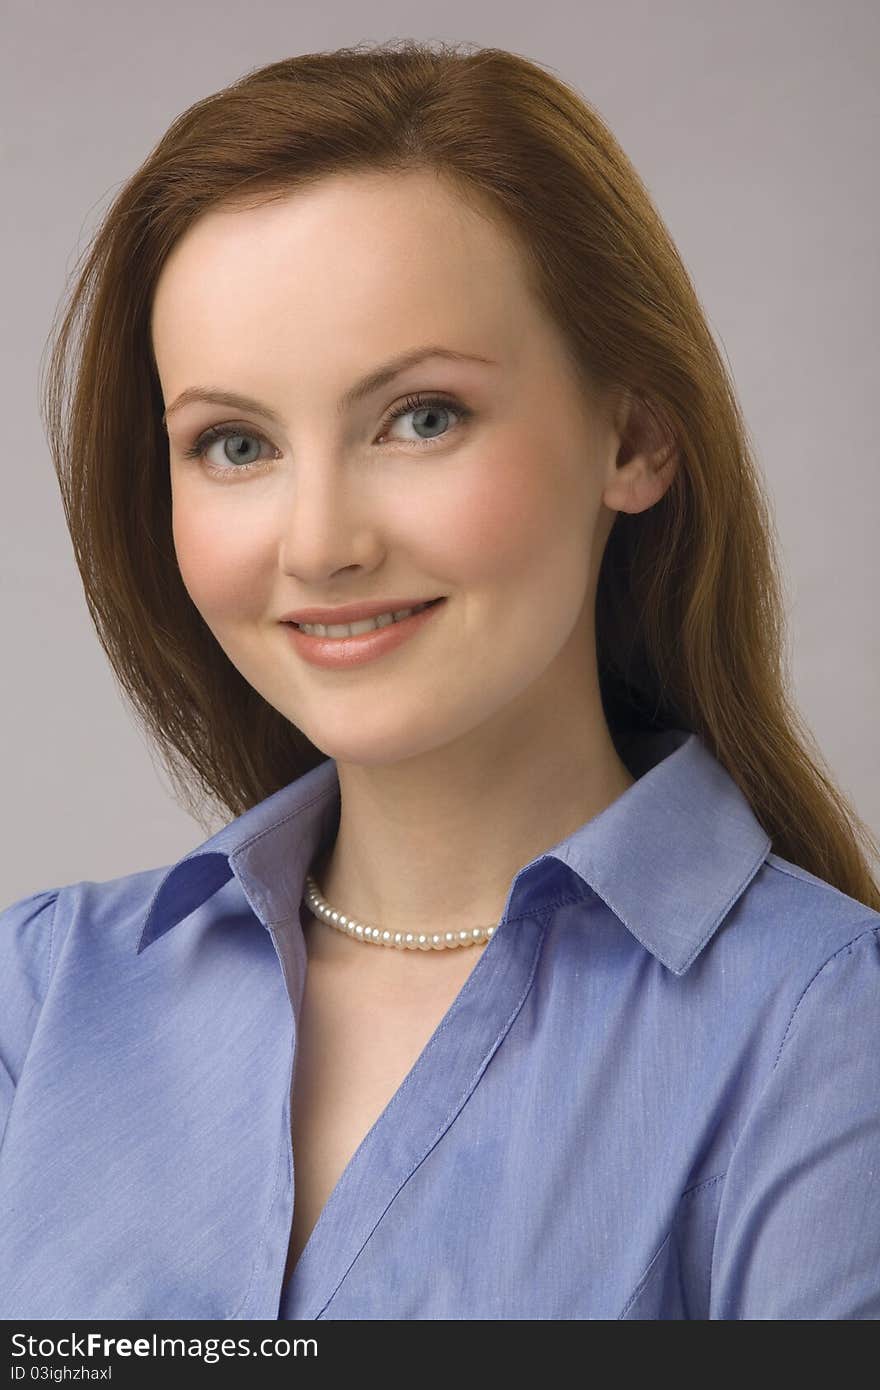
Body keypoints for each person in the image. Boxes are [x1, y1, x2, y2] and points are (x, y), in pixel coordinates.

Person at [1, 40, 878, 1322]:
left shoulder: (824, 1032)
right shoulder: (44, 998)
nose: (317, 544)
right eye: (233, 443)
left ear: (631, 436)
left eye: (420, 417)